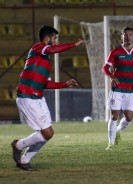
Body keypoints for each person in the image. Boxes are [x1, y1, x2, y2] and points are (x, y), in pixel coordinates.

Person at [11, 25, 85, 171]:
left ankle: (24, 160)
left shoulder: (45, 60)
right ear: (48, 37)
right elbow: (52, 49)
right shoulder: (38, 48)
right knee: (47, 133)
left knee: (47, 134)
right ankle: (18, 145)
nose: (56, 41)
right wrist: (73, 44)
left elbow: (46, 84)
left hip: (38, 97)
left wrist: (65, 84)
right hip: (27, 96)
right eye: (55, 38)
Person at [102, 26, 133, 150]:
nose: (127, 37)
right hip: (117, 89)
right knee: (114, 115)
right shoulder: (116, 52)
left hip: (130, 89)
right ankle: (111, 144)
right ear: (121, 36)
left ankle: (118, 132)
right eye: (125, 34)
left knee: (129, 117)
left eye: (130, 34)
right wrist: (112, 77)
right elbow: (105, 68)